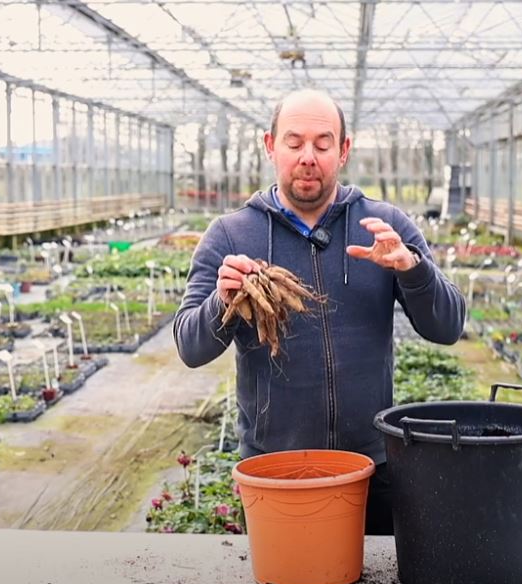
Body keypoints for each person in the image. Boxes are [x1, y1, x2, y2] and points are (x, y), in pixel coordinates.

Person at [174, 89, 466, 535]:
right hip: (275, 470)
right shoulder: (230, 236)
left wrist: (411, 269)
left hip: (373, 469)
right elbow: (189, 347)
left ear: (343, 151)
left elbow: (448, 327)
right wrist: (222, 300)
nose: (308, 156)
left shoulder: (385, 227)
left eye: (323, 143)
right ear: (270, 146)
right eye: (294, 143)